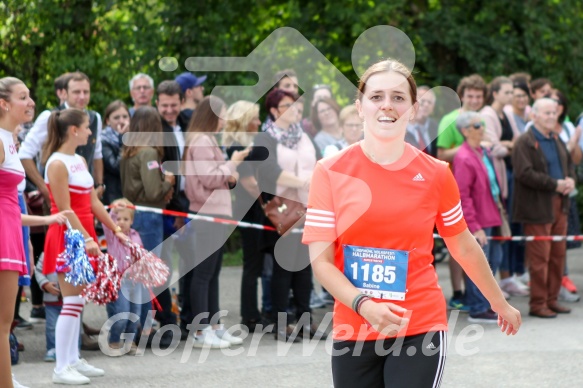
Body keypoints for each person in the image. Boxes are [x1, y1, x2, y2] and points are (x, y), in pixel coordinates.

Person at [303, 60, 520, 388]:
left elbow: (461, 244)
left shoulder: (435, 173)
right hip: (353, 324)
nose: (387, 105)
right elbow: (321, 264)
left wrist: (498, 301)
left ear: (414, 109)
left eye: (398, 97)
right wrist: (364, 305)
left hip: (419, 324)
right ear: (359, 107)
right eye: (376, 97)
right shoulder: (329, 171)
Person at [41, 108, 128, 385]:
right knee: (71, 302)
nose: (91, 132)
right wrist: (87, 239)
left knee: (77, 303)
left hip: (84, 233)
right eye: (87, 127)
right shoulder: (56, 163)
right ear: (73, 130)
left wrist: (114, 229)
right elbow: (65, 210)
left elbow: (92, 202)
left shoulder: (78, 159)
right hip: (69, 236)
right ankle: (61, 368)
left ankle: (73, 360)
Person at [0, 77, 73, 388]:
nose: (31, 102)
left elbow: (11, 208)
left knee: (4, 323)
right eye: (23, 97)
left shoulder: (10, 139)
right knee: (3, 325)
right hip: (3, 236)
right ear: (3, 103)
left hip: (11, 231)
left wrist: (47, 220)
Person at [249, 88, 324, 342]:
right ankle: (281, 323)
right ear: (273, 111)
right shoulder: (265, 138)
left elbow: (321, 162)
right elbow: (269, 171)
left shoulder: (304, 136)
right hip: (281, 210)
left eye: (294, 105)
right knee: (282, 268)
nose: (293, 110)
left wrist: (313, 181)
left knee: (303, 268)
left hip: (308, 208)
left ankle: (304, 320)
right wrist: (302, 181)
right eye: (286, 106)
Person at [183, 96, 247, 348]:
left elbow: (216, 178)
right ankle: (200, 330)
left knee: (213, 273)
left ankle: (214, 325)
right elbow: (209, 179)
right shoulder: (201, 140)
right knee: (203, 274)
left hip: (217, 213)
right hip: (207, 213)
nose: (223, 122)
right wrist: (233, 164)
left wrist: (230, 176)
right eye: (221, 116)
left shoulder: (207, 139)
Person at [512, 98, 575, 318]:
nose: (551, 117)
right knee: (540, 259)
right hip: (538, 208)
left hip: (560, 205)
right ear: (534, 115)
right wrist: (554, 184)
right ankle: (538, 304)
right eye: (546, 113)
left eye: (553, 113)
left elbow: (569, 164)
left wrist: (570, 180)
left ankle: (552, 299)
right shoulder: (525, 141)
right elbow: (524, 173)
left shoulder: (556, 138)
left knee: (558, 256)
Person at [120, 106, 176, 345]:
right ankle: (142, 330)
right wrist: (168, 182)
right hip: (149, 216)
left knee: (136, 274)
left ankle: (134, 328)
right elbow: (153, 191)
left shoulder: (128, 152)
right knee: (148, 276)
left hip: (133, 214)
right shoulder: (150, 152)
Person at [436, 74, 487, 311]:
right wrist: (468, 147)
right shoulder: (449, 119)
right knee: (456, 241)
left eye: (478, 96)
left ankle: (478, 291)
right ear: (462, 95)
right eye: (470, 96)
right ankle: (458, 293)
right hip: (454, 187)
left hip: (481, 188)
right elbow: (441, 154)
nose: (475, 100)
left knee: (478, 242)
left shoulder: (484, 119)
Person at [19, 71, 105, 202]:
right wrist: (44, 188)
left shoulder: (95, 118)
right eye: (76, 92)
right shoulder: (49, 116)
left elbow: (97, 154)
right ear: (64, 93)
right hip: (56, 195)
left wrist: (99, 185)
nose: (82, 96)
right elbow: (24, 154)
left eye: (86, 92)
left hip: (85, 196)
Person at [453, 111, 505, 322]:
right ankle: (478, 307)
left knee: (494, 260)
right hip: (479, 221)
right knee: (479, 264)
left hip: (490, 215)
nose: (482, 128)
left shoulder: (480, 151)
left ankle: (486, 304)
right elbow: (462, 196)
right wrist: (474, 226)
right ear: (465, 131)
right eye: (476, 126)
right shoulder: (464, 157)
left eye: (482, 124)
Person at [222, 100, 267, 331]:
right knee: (252, 264)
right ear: (244, 120)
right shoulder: (236, 147)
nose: (259, 122)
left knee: (255, 264)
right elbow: (250, 185)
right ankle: (250, 316)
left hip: (253, 208)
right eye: (255, 118)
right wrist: (272, 204)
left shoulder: (246, 143)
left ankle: (254, 312)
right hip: (249, 209)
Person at [547, 89, 582, 303]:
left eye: (558, 102)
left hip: (567, 191)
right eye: (551, 102)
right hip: (546, 193)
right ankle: (549, 286)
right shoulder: (537, 128)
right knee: (544, 241)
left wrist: (574, 142)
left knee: (564, 238)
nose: (555, 107)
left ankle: (564, 276)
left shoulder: (569, 126)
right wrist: (572, 142)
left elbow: (574, 159)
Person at [102, 198, 145, 356]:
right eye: (118, 218)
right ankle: (114, 339)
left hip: (135, 280)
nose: (121, 222)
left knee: (135, 313)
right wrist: (113, 212)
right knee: (122, 312)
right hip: (119, 280)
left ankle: (130, 342)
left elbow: (139, 254)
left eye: (126, 219)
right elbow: (107, 222)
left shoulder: (135, 236)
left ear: (132, 220)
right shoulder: (112, 235)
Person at [101, 100, 130, 205]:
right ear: (108, 121)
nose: (121, 121)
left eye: (125, 117)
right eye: (116, 118)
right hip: (113, 195)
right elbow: (117, 167)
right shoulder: (104, 140)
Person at [34, 253, 61, 363]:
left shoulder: (74, 250)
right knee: (51, 326)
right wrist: (45, 284)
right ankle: (52, 348)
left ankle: (73, 349)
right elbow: (38, 271)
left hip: (71, 299)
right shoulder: (46, 254)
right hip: (52, 300)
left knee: (74, 327)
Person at [406, 86, 438, 157]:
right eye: (423, 101)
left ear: (433, 107)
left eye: (429, 102)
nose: (426, 105)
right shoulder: (402, 126)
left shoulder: (435, 127)